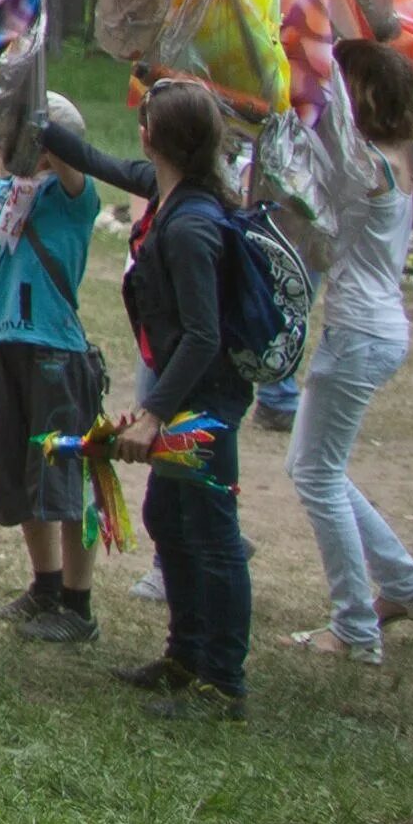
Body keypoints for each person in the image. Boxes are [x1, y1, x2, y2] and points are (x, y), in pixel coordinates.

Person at [40, 80, 255, 718]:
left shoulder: (190, 226)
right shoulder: (169, 191)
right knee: (169, 519)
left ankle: (223, 683)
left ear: (151, 136)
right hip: (186, 392)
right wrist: (37, 125)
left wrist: (157, 409)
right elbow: (99, 163)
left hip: (204, 398)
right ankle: (185, 657)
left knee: (212, 535)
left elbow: (203, 334)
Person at [279, 39, 413, 664]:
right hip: (375, 329)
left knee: (316, 474)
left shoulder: (367, 163)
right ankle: (402, 586)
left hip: (360, 333)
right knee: (319, 468)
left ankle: (354, 627)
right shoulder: (395, 155)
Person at [0, 93, 104, 645]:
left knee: (67, 481)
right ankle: (45, 586)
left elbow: (71, 164)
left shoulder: (75, 195)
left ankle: (79, 602)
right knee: (22, 473)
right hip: (4, 347)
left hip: (54, 353)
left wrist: (39, 119)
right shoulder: (6, 191)